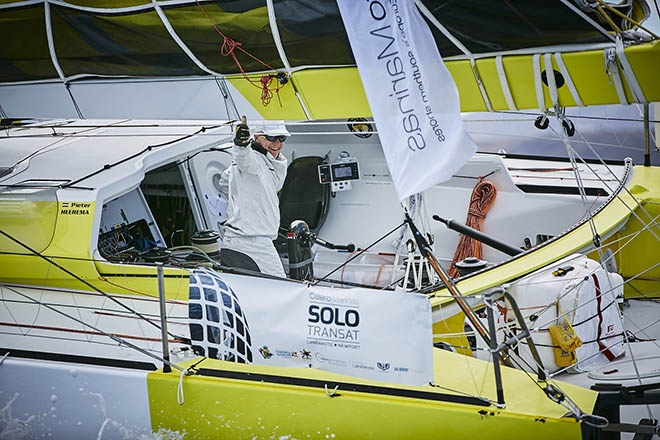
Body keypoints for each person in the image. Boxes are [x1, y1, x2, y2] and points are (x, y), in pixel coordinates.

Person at [220, 117, 289, 277]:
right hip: (252, 242)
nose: (277, 143)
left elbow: (224, 181)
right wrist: (240, 144)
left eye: (282, 138)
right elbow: (242, 156)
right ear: (256, 137)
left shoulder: (271, 162)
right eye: (271, 137)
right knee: (281, 287)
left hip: (245, 240)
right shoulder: (251, 159)